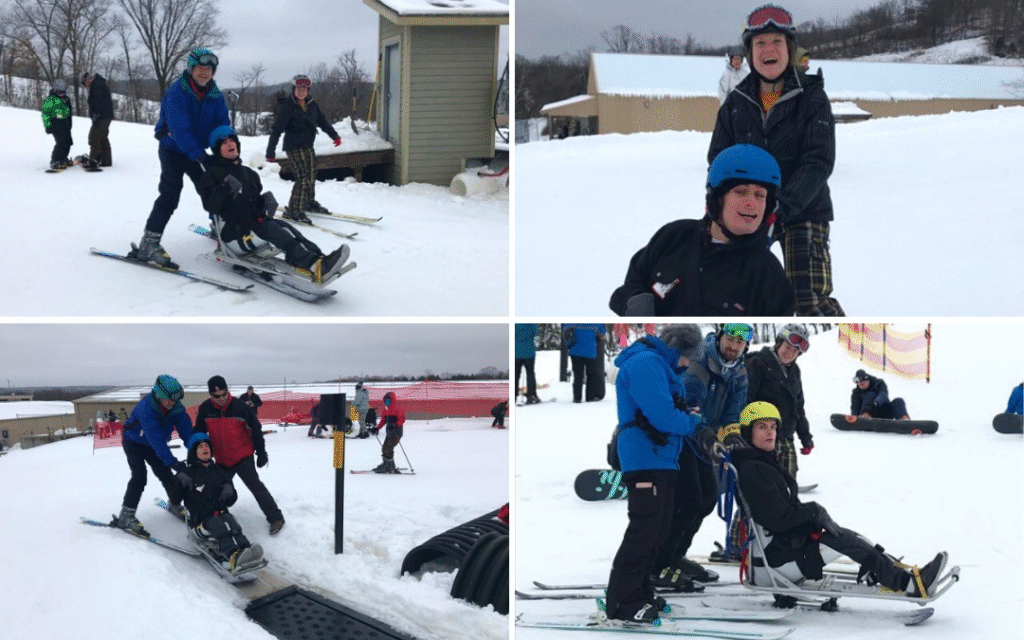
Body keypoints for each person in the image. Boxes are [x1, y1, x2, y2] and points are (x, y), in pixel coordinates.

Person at [730, 401, 948, 598]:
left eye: (773, 426)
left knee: (849, 536)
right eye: (762, 427)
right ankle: (908, 584)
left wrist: (813, 516)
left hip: (781, 547)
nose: (770, 432)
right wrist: (814, 512)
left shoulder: (761, 462)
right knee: (845, 541)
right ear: (749, 432)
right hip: (774, 563)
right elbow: (776, 518)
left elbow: (782, 512)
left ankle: (902, 575)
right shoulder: (754, 469)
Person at [709, 4, 844, 317]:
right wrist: (722, 204)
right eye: (760, 43)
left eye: (776, 42)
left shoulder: (811, 97)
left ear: (789, 49)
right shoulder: (735, 103)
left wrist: (781, 206)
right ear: (750, 52)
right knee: (736, 295)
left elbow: (819, 161)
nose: (768, 49)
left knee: (808, 298)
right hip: (750, 210)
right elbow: (718, 159)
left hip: (804, 208)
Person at [610, 144, 795, 316]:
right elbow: (631, 286)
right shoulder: (673, 237)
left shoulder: (769, 276)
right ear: (716, 199)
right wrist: (634, 303)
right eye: (740, 191)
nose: (751, 202)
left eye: (760, 195)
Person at [604, 324, 706, 624]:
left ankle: (640, 591)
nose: (687, 364)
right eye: (688, 357)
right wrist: (692, 422)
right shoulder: (646, 363)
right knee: (644, 532)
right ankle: (622, 602)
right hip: (646, 459)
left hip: (660, 459)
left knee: (657, 532)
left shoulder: (658, 364)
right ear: (679, 349)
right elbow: (661, 416)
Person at [652, 323, 751, 587]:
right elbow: (690, 409)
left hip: (706, 444)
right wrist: (707, 436)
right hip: (683, 440)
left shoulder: (739, 371)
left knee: (707, 499)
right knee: (689, 500)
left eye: (739, 343)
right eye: (730, 339)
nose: (733, 346)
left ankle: (676, 556)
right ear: (720, 337)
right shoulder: (700, 363)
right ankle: (659, 563)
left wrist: (731, 436)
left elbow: (733, 412)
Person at [198, 125, 350, 284]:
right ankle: (314, 265)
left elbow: (253, 204)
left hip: (252, 227)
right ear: (217, 150)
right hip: (234, 238)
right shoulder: (212, 174)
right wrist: (225, 188)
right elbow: (212, 206)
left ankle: (319, 260)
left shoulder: (249, 173)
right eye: (223, 143)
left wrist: (264, 204)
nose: (230, 144)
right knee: (272, 229)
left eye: (231, 140)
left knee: (285, 227)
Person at [131, 47, 230, 269]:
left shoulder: (215, 95)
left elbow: (223, 124)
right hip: (173, 149)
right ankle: (149, 243)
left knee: (213, 187)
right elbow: (180, 131)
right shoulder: (177, 92)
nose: (205, 73)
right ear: (191, 69)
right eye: (200, 68)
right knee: (170, 194)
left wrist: (226, 148)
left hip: (198, 150)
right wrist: (201, 157)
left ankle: (220, 227)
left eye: (209, 69)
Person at [194, 375, 285, 535]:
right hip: (222, 459)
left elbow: (255, 430)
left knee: (256, 487)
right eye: (216, 396)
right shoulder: (205, 409)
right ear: (210, 395)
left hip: (242, 456)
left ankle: (275, 517)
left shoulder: (240, 407)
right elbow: (199, 433)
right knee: (218, 490)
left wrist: (261, 452)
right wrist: (198, 454)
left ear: (227, 391)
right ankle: (218, 521)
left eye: (223, 394)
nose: (221, 398)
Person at [114, 375, 195, 533]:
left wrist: (195, 448)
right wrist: (172, 461)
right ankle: (126, 515)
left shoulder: (176, 408)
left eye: (175, 400)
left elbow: (186, 430)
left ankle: (174, 503)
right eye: (168, 400)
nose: (172, 403)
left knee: (166, 475)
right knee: (139, 476)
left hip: (152, 445)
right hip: (134, 442)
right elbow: (156, 438)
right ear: (159, 396)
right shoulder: (146, 408)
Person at [177, 432, 264, 572]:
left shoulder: (220, 472)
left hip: (221, 513)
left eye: (206, 445)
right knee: (218, 523)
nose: (205, 448)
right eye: (200, 446)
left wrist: (230, 491)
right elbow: (176, 498)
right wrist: (178, 481)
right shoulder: (188, 472)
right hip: (199, 523)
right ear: (194, 452)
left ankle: (246, 549)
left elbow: (230, 501)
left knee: (229, 519)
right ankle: (232, 555)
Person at [265, 74, 342, 223]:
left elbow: (322, 121)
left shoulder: (312, 104)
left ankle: (308, 202)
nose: (302, 92)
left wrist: (334, 136)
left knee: (312, 173)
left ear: (308, 90)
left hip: (308, 144)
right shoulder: (288, 107)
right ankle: (294, 210)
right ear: (294, 89)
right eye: (299, 89)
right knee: (303, 177)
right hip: (294, 146)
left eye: (304, 89)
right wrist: (270, 151)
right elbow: (277, 129)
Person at [745, 324, 812, 478]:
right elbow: (745, 400)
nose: (790, 353)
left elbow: (798, 407)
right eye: (788, 347)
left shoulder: (794, 371)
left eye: (795, 351)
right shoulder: (757, 363)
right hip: (763, 436)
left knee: (788, 479)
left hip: (785, 436)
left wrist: (805, 437)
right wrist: (746, 434)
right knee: (765, 484)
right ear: (779, 342)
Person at [563, 323, 607, 403]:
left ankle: (577, 398)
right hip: (590, 351)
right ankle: (590, 397)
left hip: (575, 351)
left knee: (578, 375)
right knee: (591, 375)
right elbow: (602, 333)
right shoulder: (595, 320)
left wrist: (569, 344)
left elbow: (565, 331)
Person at [80, 72, 114, 168]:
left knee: (94, 137)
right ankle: (106, 160)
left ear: (87, 80)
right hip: (105, 116)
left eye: (84, 84)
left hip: (102, 116)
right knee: (102, 137)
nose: (85, 86)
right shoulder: (98, 83)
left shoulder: (96, 84)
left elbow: (98, 101)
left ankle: (94, 160)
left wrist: (96, 114)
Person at [41, 79, 73, 171]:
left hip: (65, 125)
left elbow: (68, 112)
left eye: (63, 92)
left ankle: (63, 158)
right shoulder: (50, 100)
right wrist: (48, 126)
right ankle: (55, 160)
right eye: (60, 93)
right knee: (61, 142)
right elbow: (45, 114)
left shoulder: (65, 99)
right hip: (55, 125)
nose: (62, 94)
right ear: (55, 91)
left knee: (68, 142)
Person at [372, 392, 405, 474]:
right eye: (385, 400)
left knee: (389, 448)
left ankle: (390, 467)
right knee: (384, 448)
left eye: (388, 400)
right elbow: (383, 421)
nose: (387, 401)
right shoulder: (385, 410)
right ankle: (385, 464)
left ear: (392, 400)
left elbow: (402, 419)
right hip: (389, 433)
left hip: (396, 433)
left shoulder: (398, 409)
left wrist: (395, 424)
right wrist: (377, 428)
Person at [515, 323, 541, 404]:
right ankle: (531, 395)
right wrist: (535, 347)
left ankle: (513, 395)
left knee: (515, 375)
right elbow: (537, 336)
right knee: (530, 374)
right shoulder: (532, 322)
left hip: (516, 352)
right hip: (529, 352)